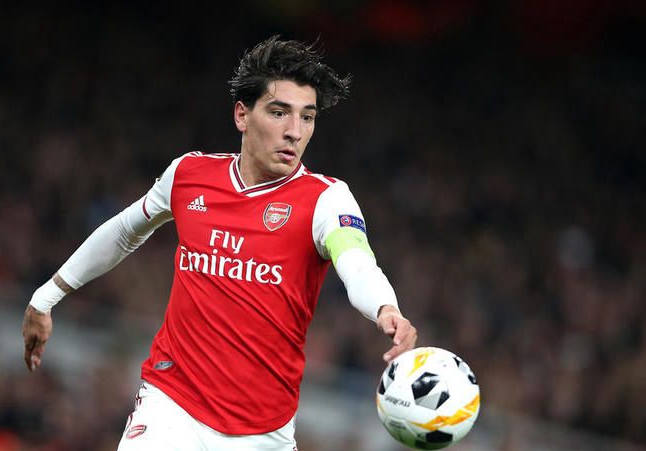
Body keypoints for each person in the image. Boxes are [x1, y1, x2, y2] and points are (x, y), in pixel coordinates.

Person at [22, 35, 418, 450]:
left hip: (264, 432)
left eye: (307, 117)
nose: (294, 132)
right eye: (279, 113)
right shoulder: (189, 175)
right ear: (242, 115)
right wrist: (46, 297)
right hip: (170, 404)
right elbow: (123, 231)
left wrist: (385, 308)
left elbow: (357, 263)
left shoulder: (326, 200)